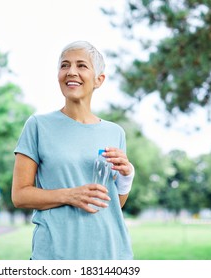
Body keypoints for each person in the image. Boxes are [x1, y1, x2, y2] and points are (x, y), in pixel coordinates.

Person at [12, 41, 135, 260]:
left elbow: (112, 205)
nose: (71, 72)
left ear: (99, 79)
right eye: (64, 65)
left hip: (111, 254)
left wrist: (127, 177)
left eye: (81, 66)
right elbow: (20, 195)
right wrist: (70, 195)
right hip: (55, 255)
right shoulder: (38, 126)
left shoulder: (115, 133)